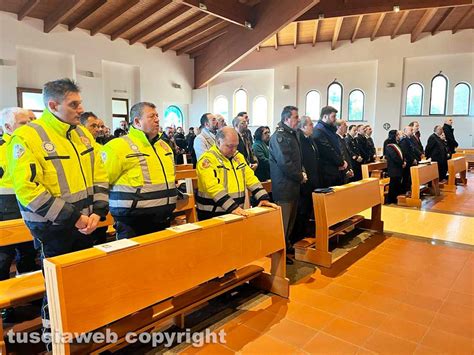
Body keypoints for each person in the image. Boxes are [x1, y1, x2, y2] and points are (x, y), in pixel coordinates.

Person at [7, 79, 109, 349]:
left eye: (80, 103)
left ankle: (86, 340)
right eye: (73, 104)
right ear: (52, 105)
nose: (80, 109)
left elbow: (99, 173)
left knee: (84, 285)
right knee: (57, 292)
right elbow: (27, 190)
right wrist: (73, 217)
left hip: (88, 224)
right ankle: (56, 344)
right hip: (53, 229)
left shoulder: (81, 134)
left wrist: (98, 211)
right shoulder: (28, 137)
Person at [102, 102, 177, 239]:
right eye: (151, 116)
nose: (157, 119)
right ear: (137, 121)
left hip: (163, 218)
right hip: (132, 223)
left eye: (157, 116)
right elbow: (101, 182)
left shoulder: (164, 147)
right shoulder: (117, 147)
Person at [196, 127, 275, 220]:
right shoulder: (207, 160)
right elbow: (212, 187)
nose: (233, 150)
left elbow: (251, 178)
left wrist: (263, 197)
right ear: (218, 142)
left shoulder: (238, 157)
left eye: (236, 146)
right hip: (212, 213)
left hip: (235, 210)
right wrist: (232, 207)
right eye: (229, 146)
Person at [0, 108, 39, 287]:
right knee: (5, 253)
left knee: (28, 250)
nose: (29, 126)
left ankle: (28, 288)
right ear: (8, 126)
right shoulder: (5, 147)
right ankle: (6, 302)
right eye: (24, 123)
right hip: (8, 204)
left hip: (28, 200)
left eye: (31, 122)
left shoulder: (29, 143)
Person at [269, 106, 306, 264]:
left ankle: (287, 244)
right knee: (283, 222)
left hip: (293, 184)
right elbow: (285, 163)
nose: (298, 120)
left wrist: (302, 172)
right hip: (284, 186)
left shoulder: (292, 134)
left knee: (291, 220)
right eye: (296, 117)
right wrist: (300, 176)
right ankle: (279, 254)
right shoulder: (280, 137)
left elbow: (298, 159)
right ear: (286, 119)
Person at [293, 116, 320, 241]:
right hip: (304, 180)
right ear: (303, 126)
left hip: (312, 179)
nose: (312, 127)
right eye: (310, 124)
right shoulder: (300, 139)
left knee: (308, 208)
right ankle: (298, 235)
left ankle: (304, 232)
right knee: (302, 209)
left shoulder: (310, 139)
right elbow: (301, 160)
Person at [313, 106, 347, 187]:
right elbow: (328, 150)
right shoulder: (319, 130)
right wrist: (341, 162)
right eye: (333, 116)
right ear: (325, 116)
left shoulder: (329, 129)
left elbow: (337, 147)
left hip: (334, 169)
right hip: (326, 172)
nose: (335, 119)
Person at [385, 130, 405, 204]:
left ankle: (396, 197)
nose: (399, 136)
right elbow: (394, 157)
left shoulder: (397, 144)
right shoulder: (389, 145)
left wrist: (404, 161)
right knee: (393, 184)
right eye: (397, 135)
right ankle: (391, 200)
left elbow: (402, 154)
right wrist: (401, 163)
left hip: (399, 167)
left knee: (397, 184)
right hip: (393, 168)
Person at [399, 126, 419, 193]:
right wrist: (412, 159)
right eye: (410, 130)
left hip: (411, 161)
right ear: (406, 131)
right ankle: (404, 191)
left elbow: (412, 150)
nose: (412, 131)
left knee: (409, 177)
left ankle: (408, 189)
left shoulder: (410, 139)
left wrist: (415, 158)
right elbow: (406, 152)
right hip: (407, 161)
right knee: (406, 177)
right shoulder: (404, 140)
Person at [336, 119, 354, 184]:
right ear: (338, 127)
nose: (347, 126)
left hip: (346, 170)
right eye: (344, 125)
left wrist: (350, 168)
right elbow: (341, 155)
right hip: (341, 172)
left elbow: (347, 156)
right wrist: (346, 171)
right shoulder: (336, 139)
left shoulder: (343, 139)